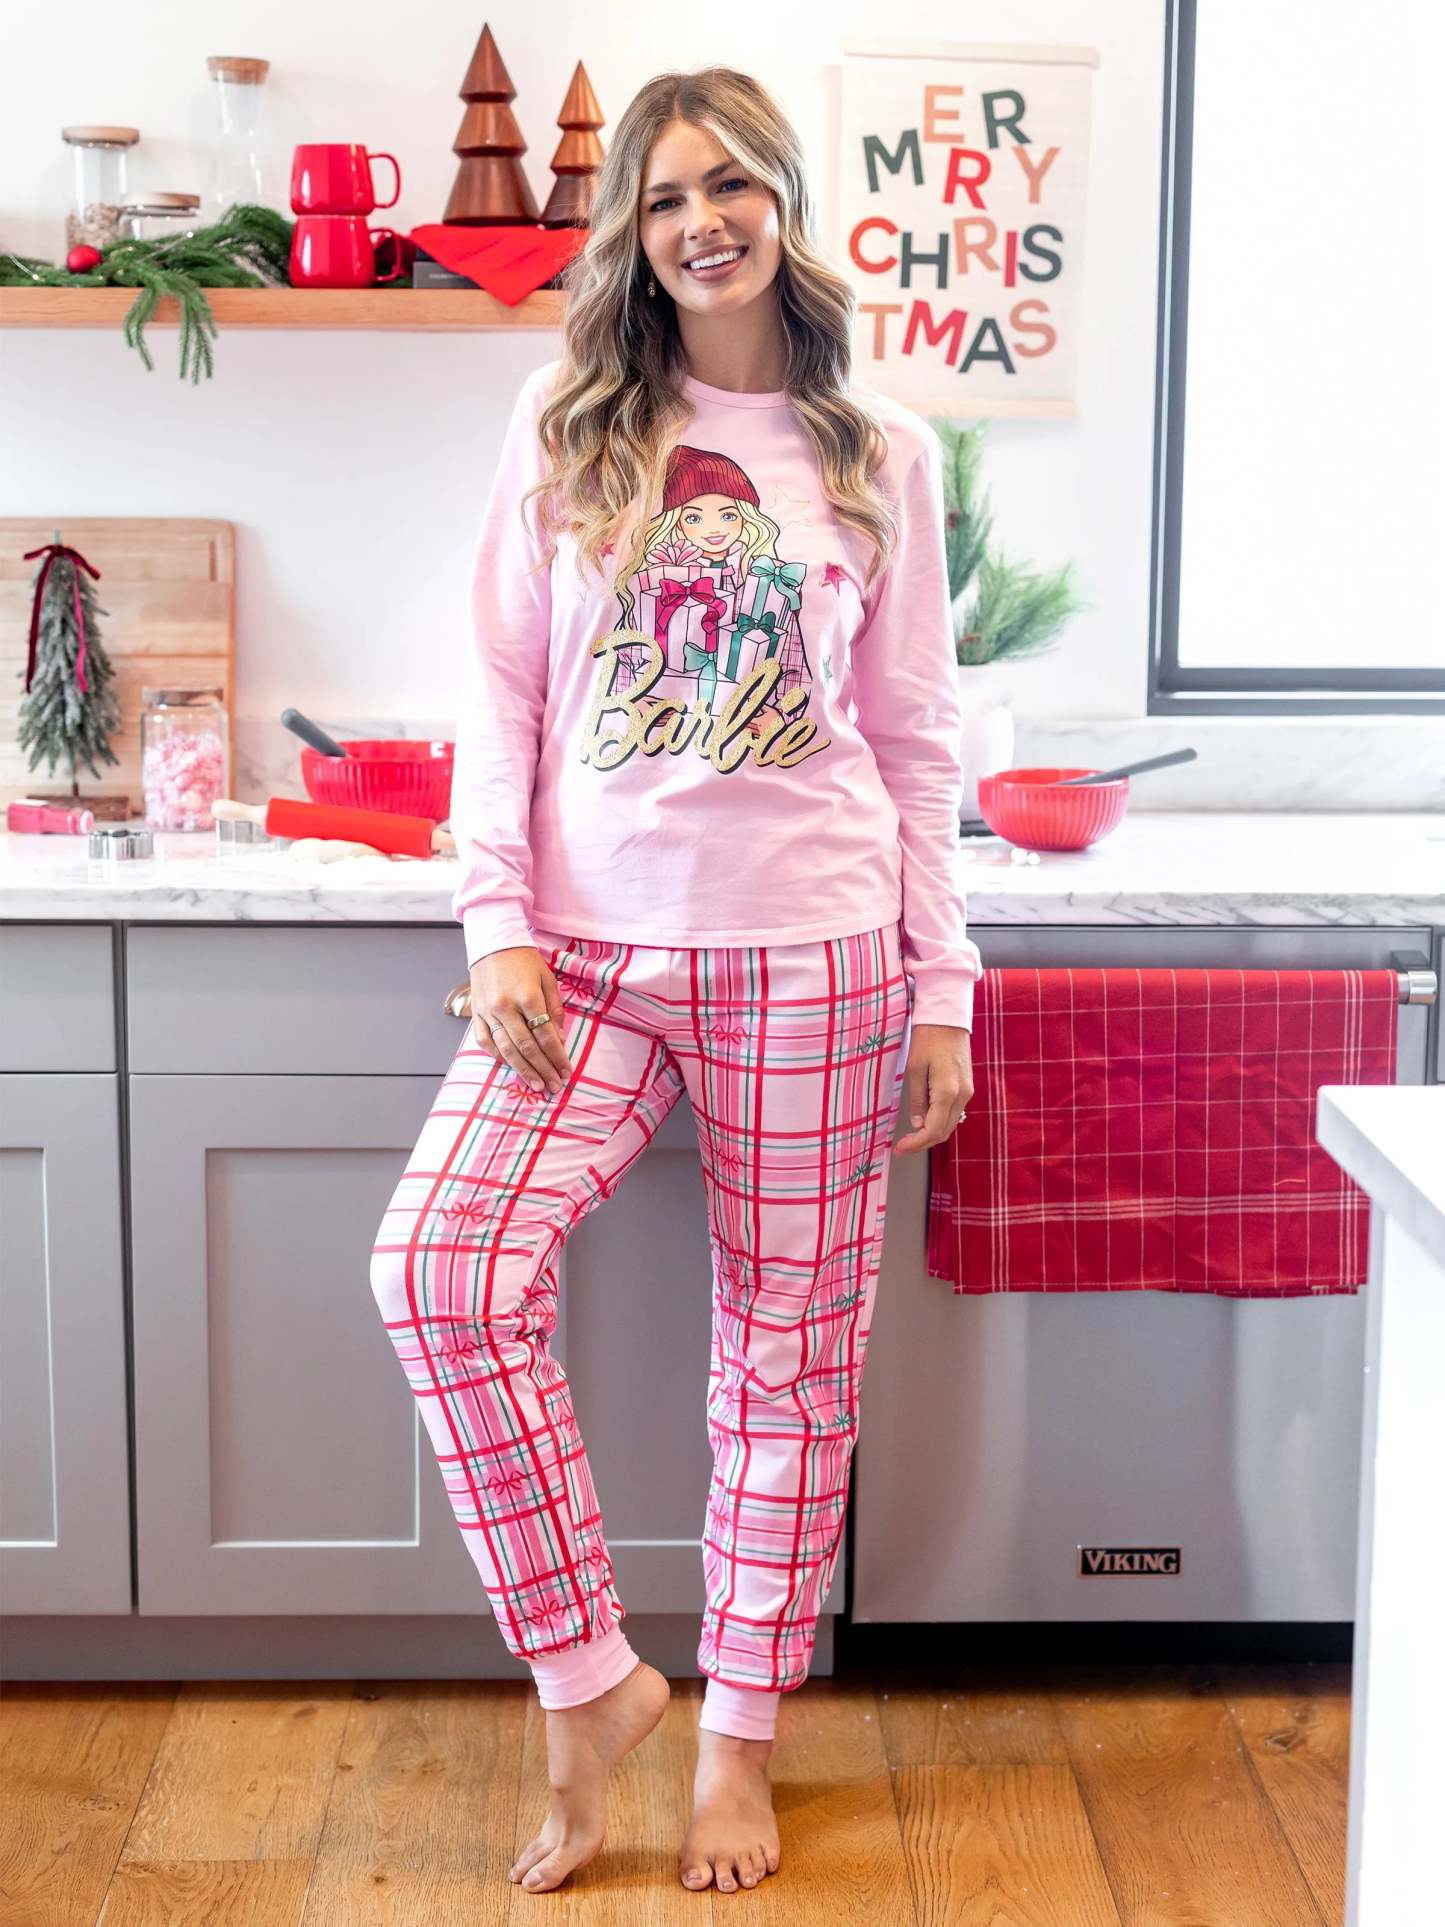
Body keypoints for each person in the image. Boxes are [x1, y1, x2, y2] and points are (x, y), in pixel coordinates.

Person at [369, 63, 981, 1898]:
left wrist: (942, 984)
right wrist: (493, 921)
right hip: (588, 951)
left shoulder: (879, 449)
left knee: (788, 1365)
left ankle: (737, 1740)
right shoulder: (569, 425)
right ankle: (589, 1679)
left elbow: (916, 739)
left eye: (729, 185)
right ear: (630, 234)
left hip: (818, 952)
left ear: (781, 201)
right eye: (660, 196)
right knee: (440, 1272)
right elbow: (500, 693)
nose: (700, 221)